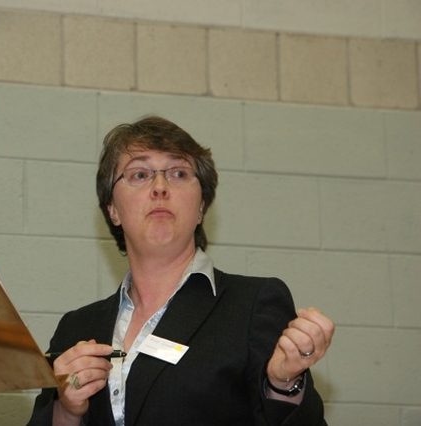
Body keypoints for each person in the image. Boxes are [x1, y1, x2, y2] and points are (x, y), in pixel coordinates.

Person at [27, 116, 335, 426]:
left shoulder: (253, 304)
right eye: (139, 174)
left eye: (178, 173)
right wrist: (66, 410)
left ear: (201, 206)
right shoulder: (76, 327)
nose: (160, 187)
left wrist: (283, 385)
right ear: (113, 210)